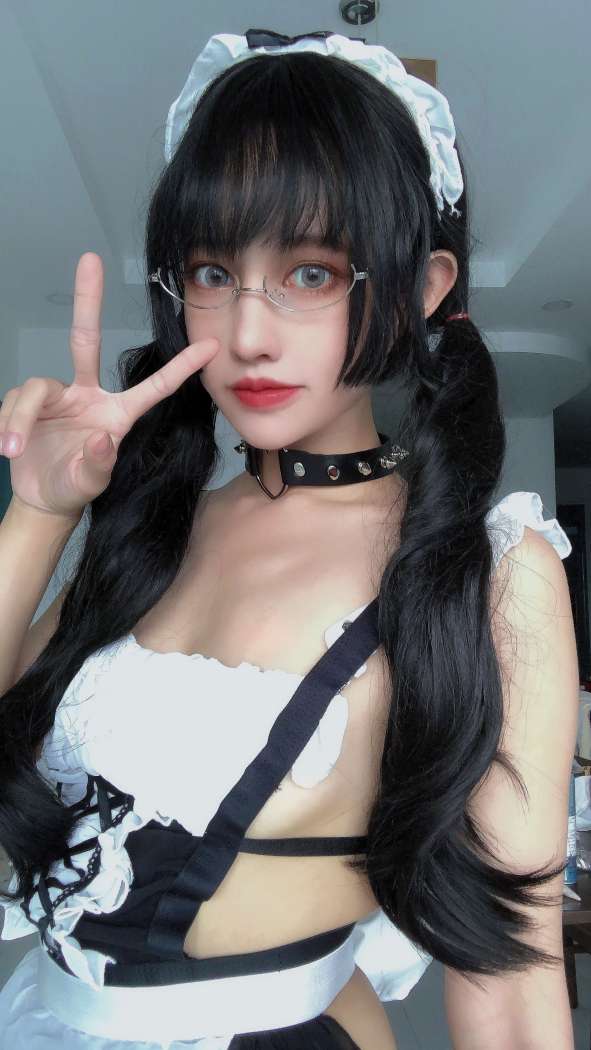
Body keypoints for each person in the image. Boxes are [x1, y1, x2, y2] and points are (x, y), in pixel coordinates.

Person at [0, 27, 579, 1050]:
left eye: (312, 273)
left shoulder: (483, 568)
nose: (247, 334)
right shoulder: (159, 522)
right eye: (212, 272)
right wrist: (41, 513)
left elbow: (510, 985)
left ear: (423, 286)